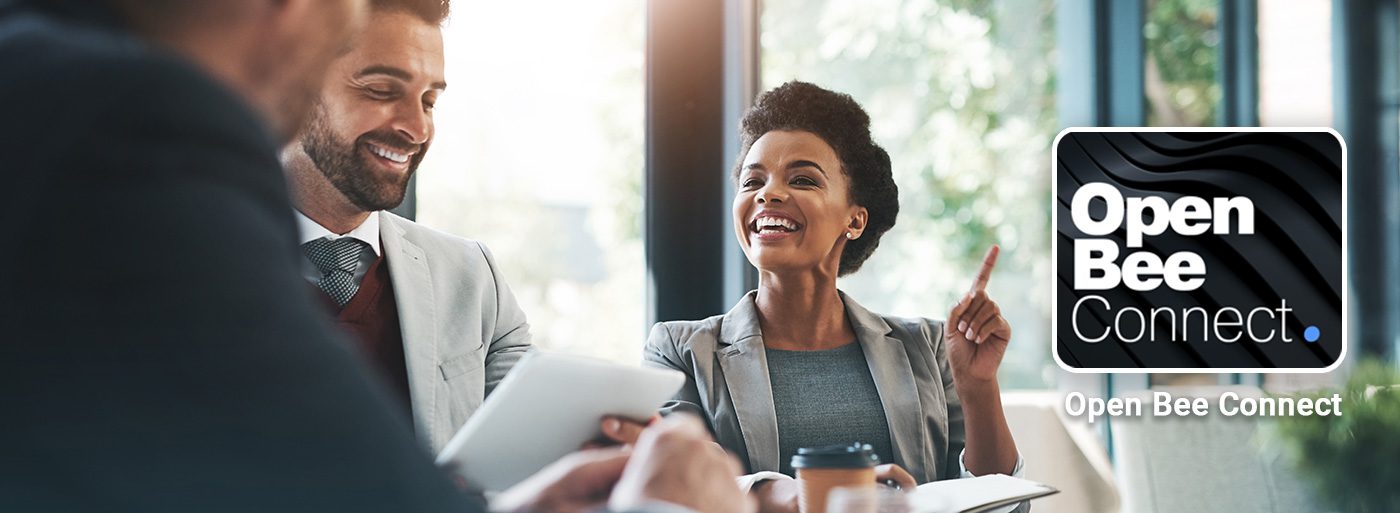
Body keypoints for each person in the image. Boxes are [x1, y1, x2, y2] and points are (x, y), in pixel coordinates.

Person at [0, 1, 753, 512]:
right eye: (375, 82)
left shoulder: (51, 94)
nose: (415, 124)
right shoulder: (133, 141)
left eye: (431, 98)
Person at [642, 81, 1026, 513]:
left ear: (855, 219)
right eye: (753, 181)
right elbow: (678, 482)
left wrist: (979, 388)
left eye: (802, 179)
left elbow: (1002, 507)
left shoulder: (930, 348)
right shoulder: (680, 351)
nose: (768, 193)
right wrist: (810, 496)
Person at [280, 0, 531, 453]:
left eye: (429, 101)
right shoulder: (180, 266)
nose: (417, 128)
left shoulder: (473, 279)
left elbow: (528, 453)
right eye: (380, 90)